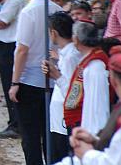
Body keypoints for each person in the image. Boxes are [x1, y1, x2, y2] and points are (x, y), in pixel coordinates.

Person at [9, 0, 63, 165]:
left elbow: (22, 49)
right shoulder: (57, 9)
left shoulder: (29, 11)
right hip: (53, 77)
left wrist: (15, 81)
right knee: (48, 134)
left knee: (31, 137)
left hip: (30, 80)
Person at [41, 11, 80, 162]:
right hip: (58, 117)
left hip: (64, 120)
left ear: (54, 33)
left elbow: (73, 93)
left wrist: (56, 75)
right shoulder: (65, 54)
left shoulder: (71, 56)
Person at [0, 0, 25, 139]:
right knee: (7, 84)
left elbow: (0, 22)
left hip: (9, 44)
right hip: (6, 43)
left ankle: (15, 124)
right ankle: (14, 122)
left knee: (9, 84)